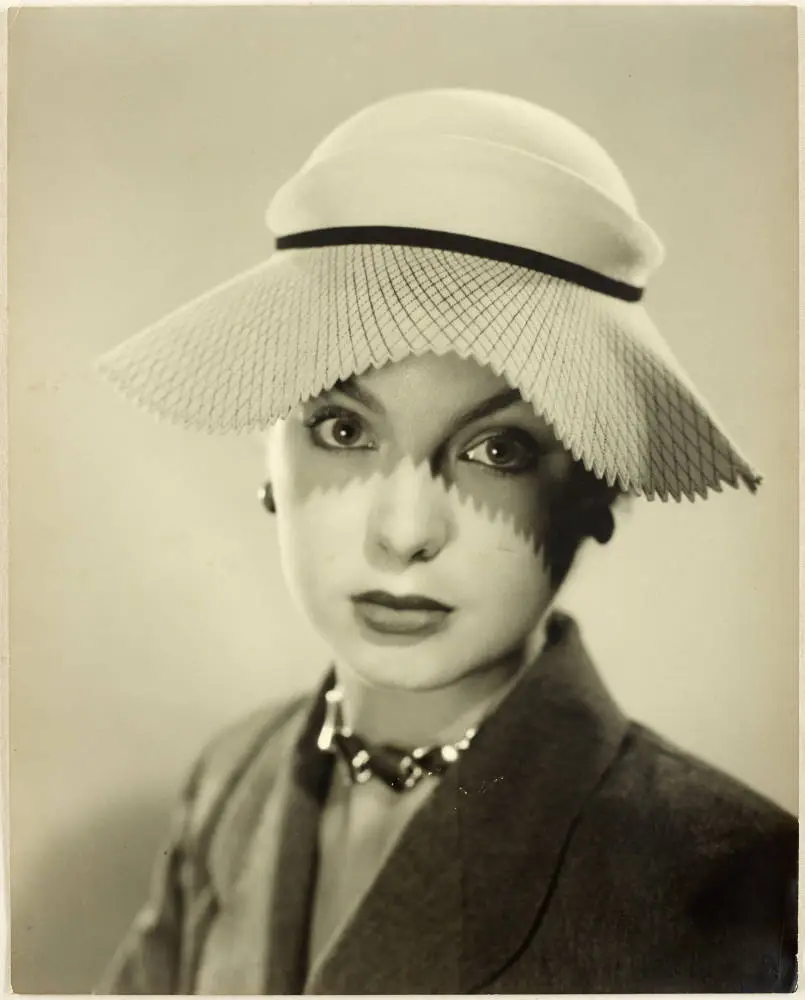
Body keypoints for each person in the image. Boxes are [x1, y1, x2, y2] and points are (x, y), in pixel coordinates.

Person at [94, 89, 796, 994]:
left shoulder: (719, 869)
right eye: (344, 430)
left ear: (596, 489)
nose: (404, 533)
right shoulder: (234, 782)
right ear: (268, 453)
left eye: (497, 450)